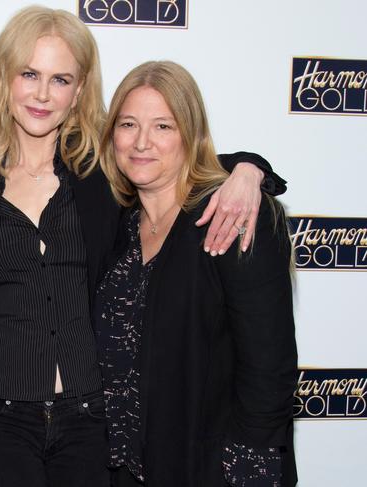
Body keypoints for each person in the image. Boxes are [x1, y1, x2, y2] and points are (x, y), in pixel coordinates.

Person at [0, 7, 284, 487]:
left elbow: (174, 160)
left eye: (61, 78)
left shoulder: (103, 183)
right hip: (0, 425)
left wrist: (249, 170)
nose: (43, 94)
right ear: (4, 78)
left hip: (93, 427)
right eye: (29, 74)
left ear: (80, 89)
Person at [95, 60, 298, 487]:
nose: (142, 142)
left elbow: (270, 370)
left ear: (191, 134)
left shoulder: (232, 215)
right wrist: (248, 164)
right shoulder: (118, 224)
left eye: (164, 127)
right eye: (128, 124)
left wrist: (249, 474)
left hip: (210, 468)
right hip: (123, 468)